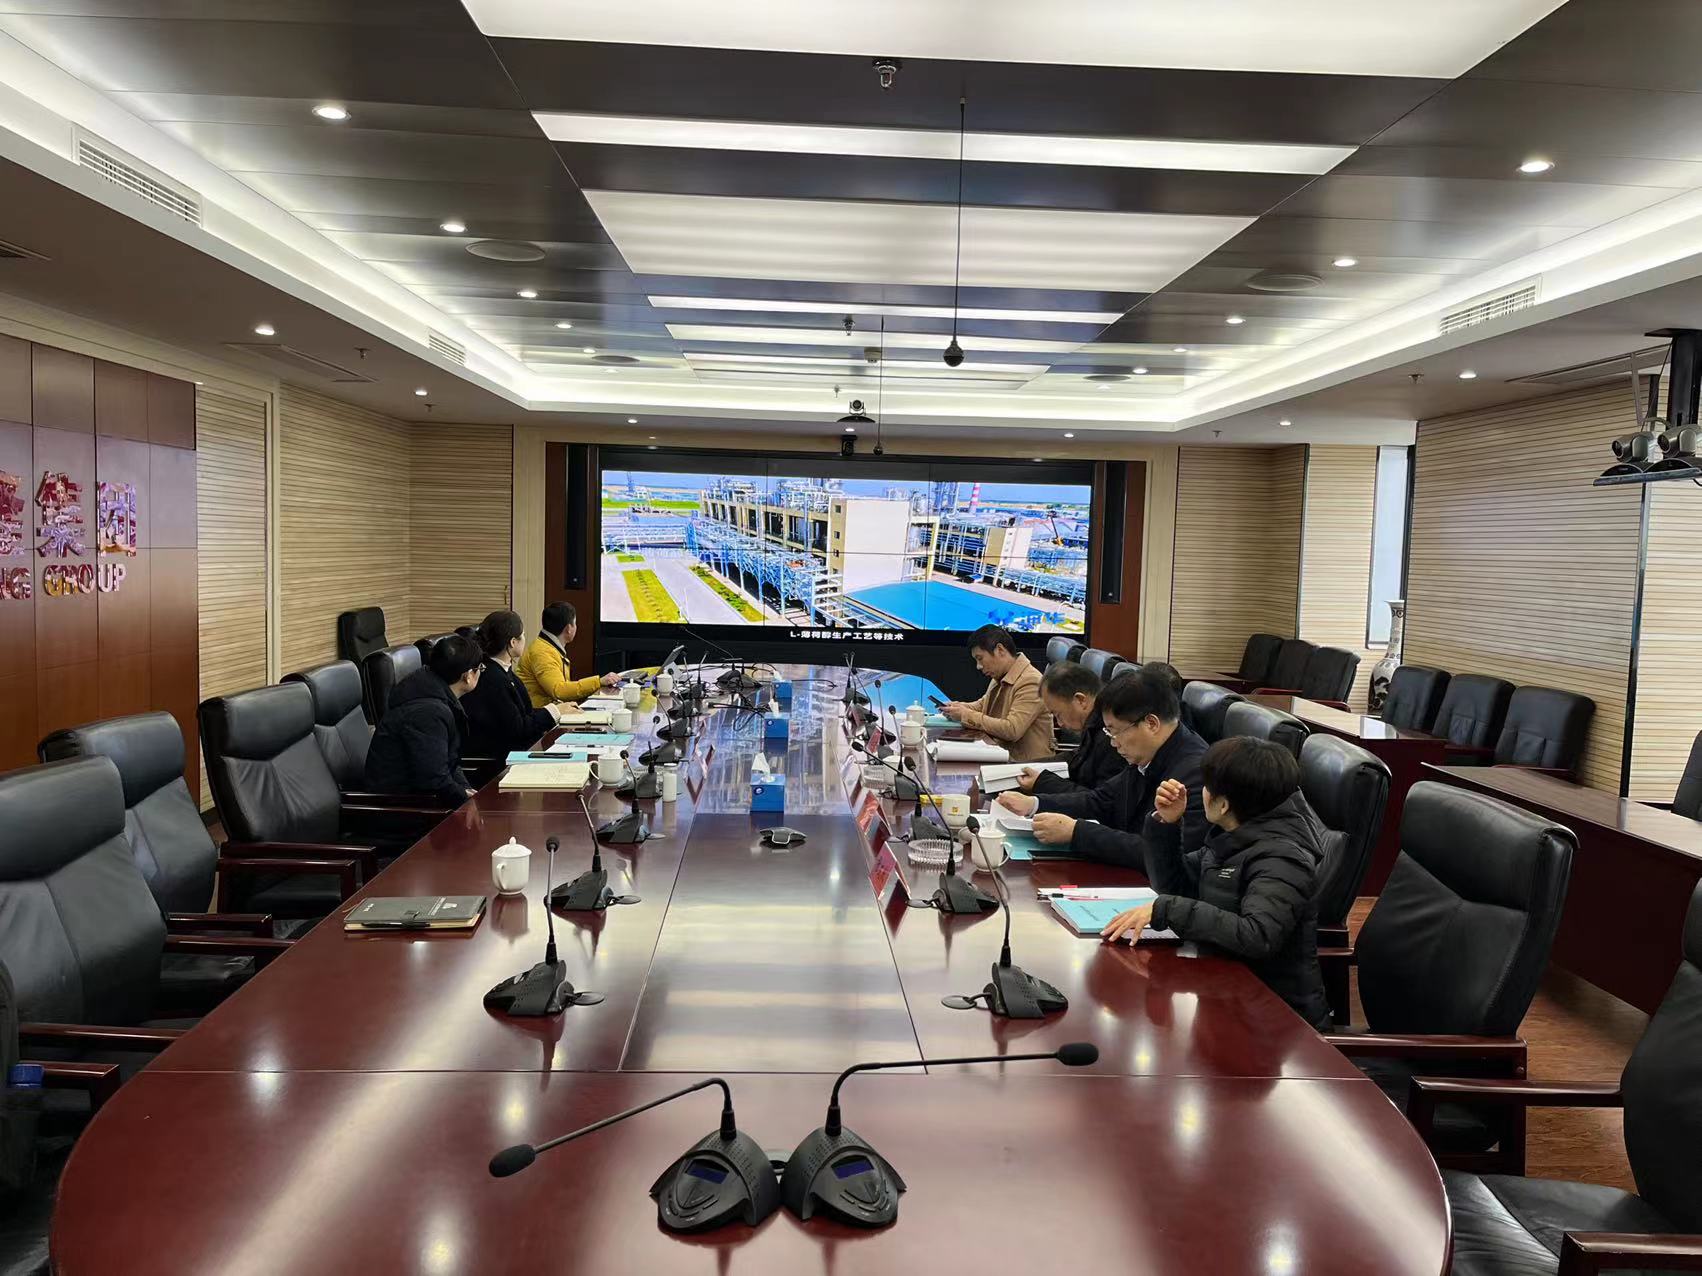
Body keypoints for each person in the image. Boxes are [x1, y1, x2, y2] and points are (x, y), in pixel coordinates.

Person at [1100, 737, 1333, 1031]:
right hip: (1230, 998)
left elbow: (1258, 936)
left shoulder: (1282, 858)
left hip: (1278, 1025)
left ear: (1223, 805)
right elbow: (1176, 888)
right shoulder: (1233, 837)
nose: (1202, 791)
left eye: (1207, 786)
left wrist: (1168, 909)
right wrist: (1166, 825)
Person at [996, 666, 1207, 868]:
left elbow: (1164, 856)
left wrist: (1077, 832)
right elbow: (1101, 800)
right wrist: (1034, 804)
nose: (1114, 743)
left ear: (1151, 724)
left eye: (1115, 732)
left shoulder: (1196, 774)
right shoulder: (1148, 754)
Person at [364, 633, 482, 804]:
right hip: (403, 808)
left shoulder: (432, 691)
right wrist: (464, 798)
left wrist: (466, 790)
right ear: (468, 676)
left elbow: (449, 762)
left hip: (420, 799)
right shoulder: (428, 713)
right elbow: (434, 780)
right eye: (480, 668)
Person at [939, 624, 1053, 763]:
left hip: (1025, 766)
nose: (978, 666)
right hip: (1000, 755)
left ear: (1000, 650)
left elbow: (1012, 730)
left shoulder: (1031, 681)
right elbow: (983, 705)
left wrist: (965, 715)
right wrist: (957, 708)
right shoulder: (1001, 674)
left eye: (980, 658)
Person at [1016, 661, 1124, 797]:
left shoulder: (1111, 736)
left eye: (1058, 714)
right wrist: (1022, 766)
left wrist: (1043, 783)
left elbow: (1102, 801)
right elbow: (1077, 757)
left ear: (1080, 700)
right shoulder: (1093, 723)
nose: (1059, 723)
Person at [463, 609, 561, 757]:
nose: (525, 639)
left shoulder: (500, 669)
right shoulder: (492, 677)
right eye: (523, 635)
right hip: (501, 759)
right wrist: (553, 712)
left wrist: (555, 710)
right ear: (513, 642)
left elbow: (521, 714)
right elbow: (517, 729)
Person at [517, 601, 621, 708]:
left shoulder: (547, 647)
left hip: (548, 710)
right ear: (568, 629)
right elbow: (559, 690)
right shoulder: (542, 652)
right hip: (538, 713)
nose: (576, 627)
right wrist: (599, 682)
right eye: (575, 623)